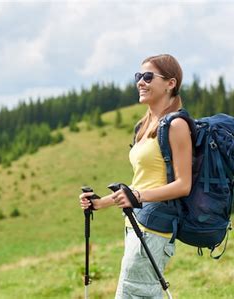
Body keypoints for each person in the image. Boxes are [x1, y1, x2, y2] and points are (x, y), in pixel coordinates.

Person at [79, 54, 192, 298]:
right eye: (138, 76)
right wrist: (100, 204)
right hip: (137, 225)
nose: (140, 82)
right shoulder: (144, 126)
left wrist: (138, 196)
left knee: (131, 293)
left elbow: (184, 185)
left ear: (170, 83)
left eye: (148, 76)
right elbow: (141, 184)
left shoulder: (176, 125)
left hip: (155, 228)